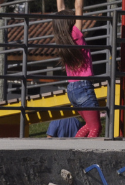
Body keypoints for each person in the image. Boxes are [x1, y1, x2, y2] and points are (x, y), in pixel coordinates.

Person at [53, 0, 100, 137]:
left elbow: (60, 8)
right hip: (83, 88)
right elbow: (78, 6)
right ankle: (87, 155)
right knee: (96, 128)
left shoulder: (62, 38)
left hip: (72, 90)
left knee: (89, 126)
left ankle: (76, 148)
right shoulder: (76, 34)